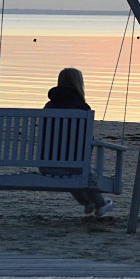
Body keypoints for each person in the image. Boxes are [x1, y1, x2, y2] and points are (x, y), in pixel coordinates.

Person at [41, 67, 114, 217]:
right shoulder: (82, 109)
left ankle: (87, 202)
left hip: (46, 165)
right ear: (79, 84)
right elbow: (85, 143)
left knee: (72, 170)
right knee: (81, 170)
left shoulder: (48, 107)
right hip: (73, 166)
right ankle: (100, 204)